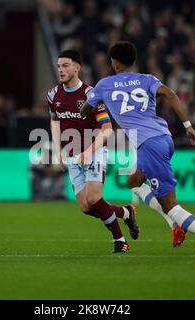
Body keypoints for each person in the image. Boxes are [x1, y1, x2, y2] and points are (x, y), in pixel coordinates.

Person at [81, 41, 195, 259]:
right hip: (164, 137)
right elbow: (171, 94)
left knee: (171, 205)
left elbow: (85, 110)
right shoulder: (147, 79)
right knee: (133, 182)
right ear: (132, 61)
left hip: (149, 145)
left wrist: (92, 102)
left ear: (114, 63)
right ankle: (175, 225)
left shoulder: (105, 84)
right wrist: (189, 126)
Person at [48, 49, 138, 253]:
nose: (61, 70)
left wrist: (89, 152)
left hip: (94, 151)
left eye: (66, 65)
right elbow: (54, 120)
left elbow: (107, 129)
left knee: (94, 198)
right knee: (86, 207)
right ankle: (126, 212)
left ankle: (120, 241)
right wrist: (58, 150)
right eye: (59, 66)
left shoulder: (91, 95)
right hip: (71, 153)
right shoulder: (53, 95)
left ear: (77, 68)